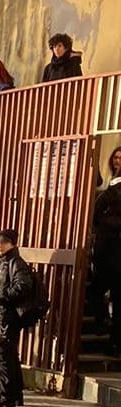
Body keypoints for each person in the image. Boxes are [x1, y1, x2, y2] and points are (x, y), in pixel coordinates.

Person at [0, 229, 34, 407]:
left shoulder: (15, 262)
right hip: (4, 315)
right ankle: (14, 395)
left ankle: (6, 395)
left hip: (9, 316)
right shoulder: (5, 262)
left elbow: (23, 286)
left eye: (4, 242)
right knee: (9, 355)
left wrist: (0, 297)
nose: (0, 245)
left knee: (2, 356)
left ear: (12, 243)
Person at [92, 147, 121, 355]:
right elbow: (96, 209)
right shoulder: (109, 188)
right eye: (117, 157)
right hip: (106, 247)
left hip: (116, 250)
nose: (118, 161)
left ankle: (114, 341)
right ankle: (101, 322)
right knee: (98, 287)